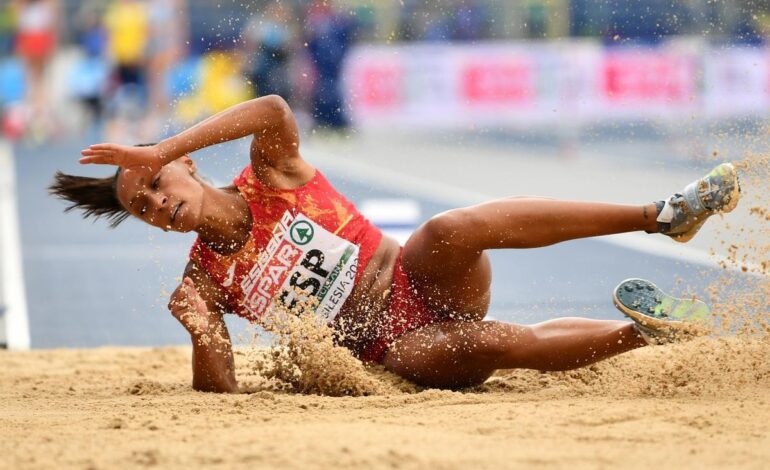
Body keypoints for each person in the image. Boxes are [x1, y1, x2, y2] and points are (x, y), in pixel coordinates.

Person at [50, 96, 741, 393]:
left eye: (157, 183)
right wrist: (203, 332)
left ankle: (659, 216)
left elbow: (273, 111)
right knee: (488, 343)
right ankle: (644, 332)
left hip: (424, 278)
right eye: (143, 209)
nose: (158, 204)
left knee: (448, 230)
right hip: (395, 348)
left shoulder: (270, 175)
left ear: (186, 164)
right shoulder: (202, 282)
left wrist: (156, 145)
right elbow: (221, 392)